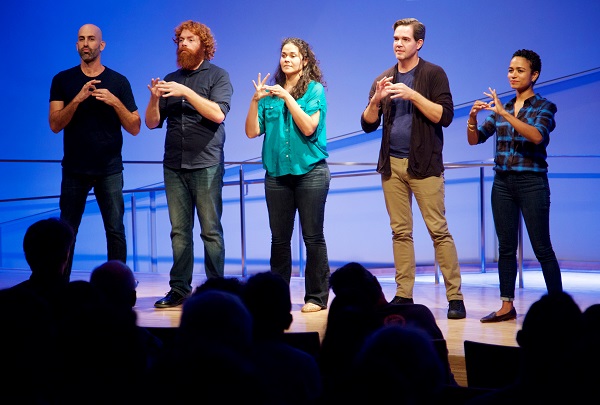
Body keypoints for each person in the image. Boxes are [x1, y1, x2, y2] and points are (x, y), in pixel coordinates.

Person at [360, 18, 466, 319]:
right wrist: (377, 100)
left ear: (418, 43)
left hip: (425, 164)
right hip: (391, 165)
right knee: (400, 232)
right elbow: (367, 123)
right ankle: (404, 294)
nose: (398, 43)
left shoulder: (433, 74)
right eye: (395, 38)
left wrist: (413, 95)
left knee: (438, 231)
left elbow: (444, 116)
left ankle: (455, 297)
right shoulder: (384, 77)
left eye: (404, 39)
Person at [467, 49, 563, 323]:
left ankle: (558, 307)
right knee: (505, 247)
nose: (513, 74)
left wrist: (505, 115)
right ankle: (506, 306)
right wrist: (473, 118)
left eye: (519, 70)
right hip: (503, 183)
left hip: (532, 182)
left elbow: (536, 136)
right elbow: (475, 140)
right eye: (510, 70)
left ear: (534, 75)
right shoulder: (503, 107)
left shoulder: (544, 107)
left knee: (542, 247)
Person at [145, 20, 233, 308]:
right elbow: (152, 123)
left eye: (190, 39)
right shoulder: (171, 78)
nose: (183, 43)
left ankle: (216, 289)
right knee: (179, 232)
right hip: (174, 165)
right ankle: (179, 289)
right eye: (180, 39)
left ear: (203, 46)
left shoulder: (218, 76)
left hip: (206, 163)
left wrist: (186, 93)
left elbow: (218, 114)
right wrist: (154, 98)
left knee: (210, 230)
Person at [245, 37, 331, 313]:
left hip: (311, 172)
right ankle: (276, 297)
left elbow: (308, 128)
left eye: (293, 55)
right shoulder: (268, 94)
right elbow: (251, 132)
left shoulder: (315, 90)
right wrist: (254, 100)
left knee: (312, 236)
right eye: (284, 55)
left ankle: (316, 297)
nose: (287, 59)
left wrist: (288, 98)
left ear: (305, 61)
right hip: (277, 174)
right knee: (279, 239)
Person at [49, 24, 141, 281]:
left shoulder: (118, 81)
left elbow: (135, 127)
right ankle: (59, 288)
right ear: (77, 45)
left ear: (102, 45)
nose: (86, 43)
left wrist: (114, 101)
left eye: (91, 39)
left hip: (109, 169)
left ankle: (120, 288)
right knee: (67, 232)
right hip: (74, 169)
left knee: (115, 231)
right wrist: (77, 99)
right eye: (81, 39)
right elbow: (55, 124)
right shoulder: (62, 80)